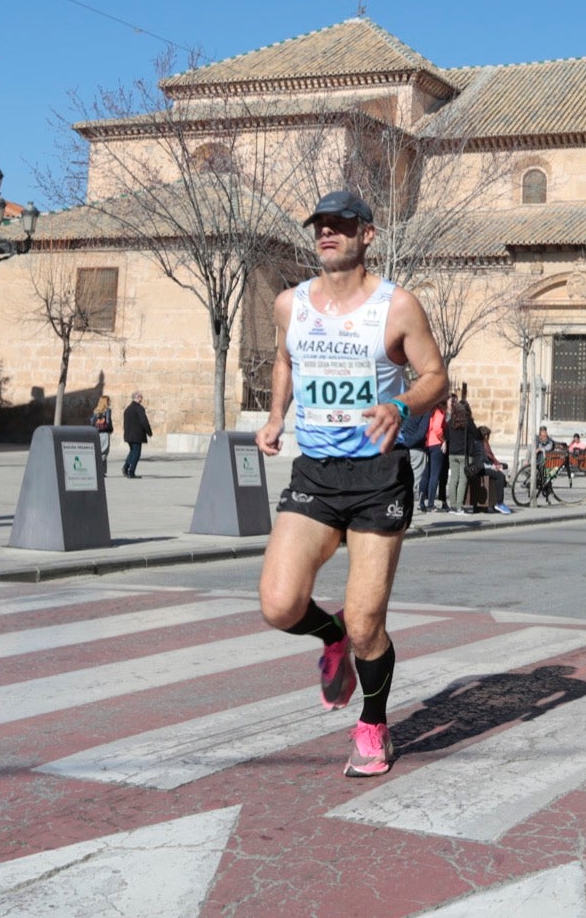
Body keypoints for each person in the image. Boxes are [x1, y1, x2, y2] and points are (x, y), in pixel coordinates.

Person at [255, 190, 448, 778]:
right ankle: (329, 634)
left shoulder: (397, 307)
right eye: (320, 225)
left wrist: (400, 402)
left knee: (370, 623)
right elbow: (287, 359)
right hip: (315, 470)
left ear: (368, 234)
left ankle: (372, 725)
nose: (327, 234)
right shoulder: (290, 304)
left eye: (340, 225)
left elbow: (436, 377)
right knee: (279, 604)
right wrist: (275, 415)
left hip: (376, 476)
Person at [444, 393, 478, 514]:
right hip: (464, 454)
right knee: (463, 480)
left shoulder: (451, 421)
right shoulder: (468, 421)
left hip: (452, 454)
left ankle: (452, 505)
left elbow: (446, 435)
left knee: (453, 479)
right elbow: (477, 434)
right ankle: (459, 505)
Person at [419, 399, 447, 513]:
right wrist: (444, 440)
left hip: (428, 444)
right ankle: (430, 503)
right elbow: (437, 429)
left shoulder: (431, 412)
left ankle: (421, 499)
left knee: (427, 473)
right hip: (437, 444)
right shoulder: (439, 413)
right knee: (434, 475)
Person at [121, 392, 153, 478]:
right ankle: (131, 472)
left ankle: (126, 467)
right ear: (138, 397)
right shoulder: (139, 408)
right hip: (137, 435)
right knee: (136, 454)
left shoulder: (128, 409)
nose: (142, 399)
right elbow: (144, 421)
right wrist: (149, 432)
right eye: (141, 397)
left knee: (132, 452)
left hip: (129, 435)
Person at [91, 395, 114, 477]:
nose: (110, 402)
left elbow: (92, 422)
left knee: (98, 451)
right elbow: (108, 422)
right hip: (104, 433)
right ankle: (101, 471)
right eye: (109, 400)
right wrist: (111, 430)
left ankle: (99, 470)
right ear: (106, 402)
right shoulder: (107, 411)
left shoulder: (95, 411)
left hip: (96, 433)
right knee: (104, 452)